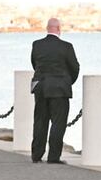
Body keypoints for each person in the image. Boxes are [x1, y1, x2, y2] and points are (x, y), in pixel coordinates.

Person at [30, 18, 80, 164]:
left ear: (47, 28)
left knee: (40, 121)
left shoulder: (37, 45)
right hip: (59, 88)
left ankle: (36, 154)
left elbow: (35, 64)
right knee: (58, 122)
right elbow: (75, 68)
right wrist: (67, 81)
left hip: (40, 87)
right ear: (59, 28)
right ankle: (53, 157)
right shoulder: (67, 47)